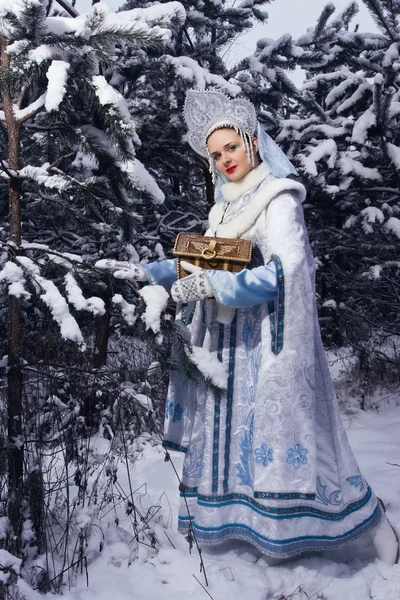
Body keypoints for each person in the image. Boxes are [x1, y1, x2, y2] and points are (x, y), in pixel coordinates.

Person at [97, 89, 398, 564]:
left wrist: (213, 288)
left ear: (253, 142)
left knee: (283, 435)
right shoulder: (226, 209)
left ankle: (366, 522)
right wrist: (150, 272)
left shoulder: (279, 200)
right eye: (215, 154)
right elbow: (208, 258)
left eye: (231, 147)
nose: (223, 160)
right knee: (237, 440)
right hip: (228, 346)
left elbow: (287, 269)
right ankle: (243, 527)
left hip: (266, 344)